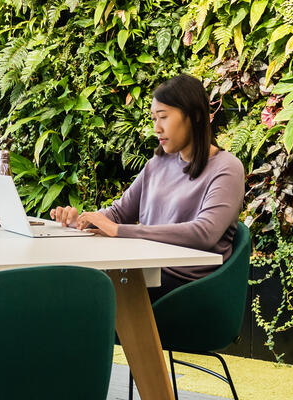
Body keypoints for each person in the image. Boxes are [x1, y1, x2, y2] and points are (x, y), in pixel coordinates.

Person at [50, 74, 245, 300]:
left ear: (196, 116)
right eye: (153, 119)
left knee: (88, 297)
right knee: (67, 288)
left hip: (187, 288)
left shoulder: (227, 168)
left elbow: (205, 233)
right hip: (146, 270)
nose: (157, 128)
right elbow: (119, 214)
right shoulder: (158, 163)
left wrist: (120, 231)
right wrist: (83, 220)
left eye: (163, 117)